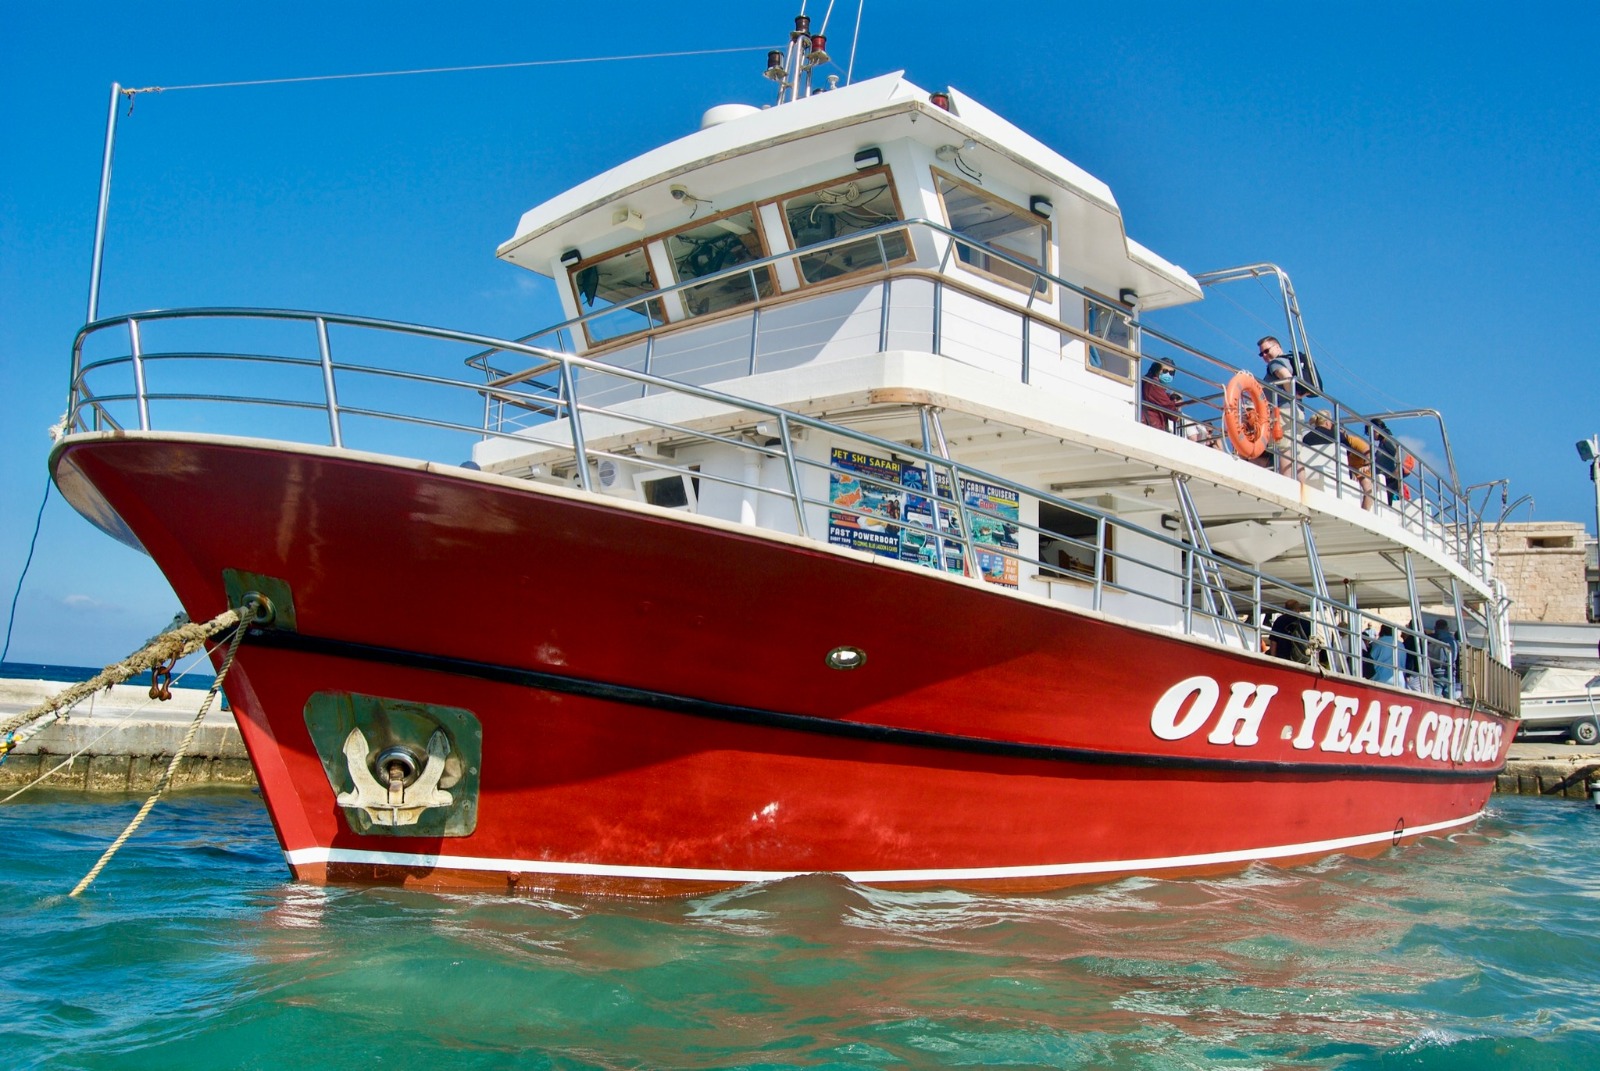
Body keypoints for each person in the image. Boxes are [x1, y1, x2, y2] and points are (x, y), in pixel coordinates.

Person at [1140, 360, 1183, 433]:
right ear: (1157, 370)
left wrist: (1170, 399)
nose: (1168, 374)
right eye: (1165, 371)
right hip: (1152, 426)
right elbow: (1168, 408)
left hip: (1151, 424)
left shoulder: (1149, 382)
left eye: (1171, 373)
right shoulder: (1154, 385)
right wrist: (1177, 414)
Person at [1369, 418, 1401, 505]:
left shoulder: (1387, 440)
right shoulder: (1381, 443)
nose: (1369, 435)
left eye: (1370, 431)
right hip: (1381, 478)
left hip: (1389, 480)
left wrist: (1396, 472)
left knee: (1387, 502)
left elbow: (1400, 454)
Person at [1268, 599, 1311, 663]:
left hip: (1282, 657)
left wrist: (1273, 658)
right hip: (1300, 658)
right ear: (1298, 609)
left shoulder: (1279, 620)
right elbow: (1311, 641)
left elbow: (1273, 641)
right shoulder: (1305, 622)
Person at [1428, 619, 1459, 697]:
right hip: (1451, 672)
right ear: (1447, 628)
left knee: (1436, 698)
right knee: (1450, 698)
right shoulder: (1453, 640)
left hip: (1438, 671)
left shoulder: (1434, 637)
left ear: (1435, 627)